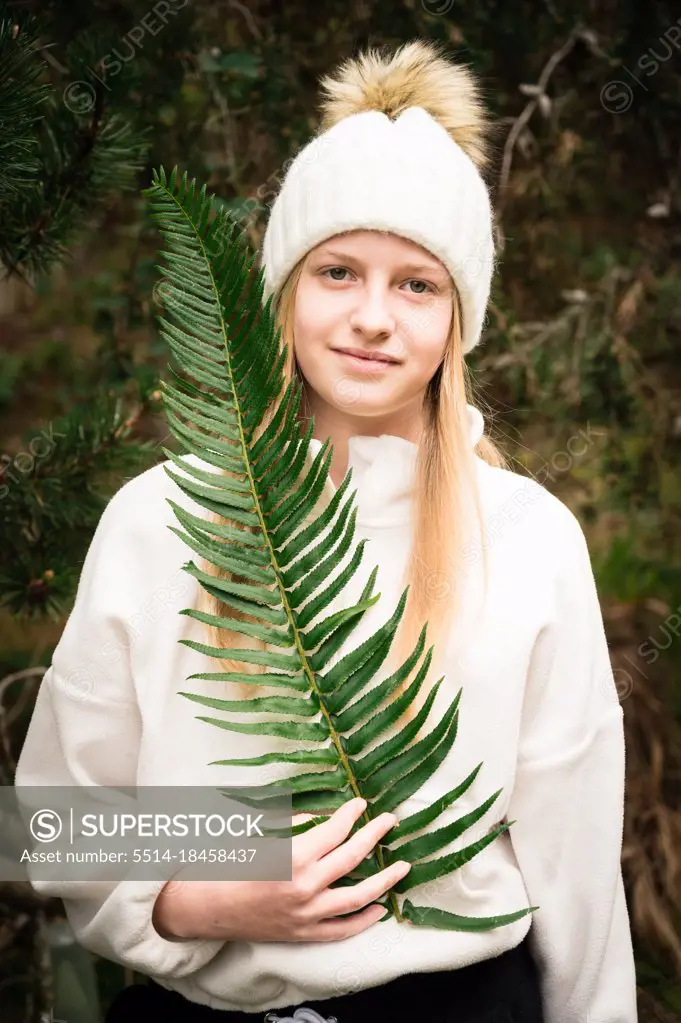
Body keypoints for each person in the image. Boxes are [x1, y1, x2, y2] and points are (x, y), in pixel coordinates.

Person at [14, 38, 638, 1023]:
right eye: (339, 271)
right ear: (284, 293)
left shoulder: (527, 537)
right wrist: (219, 894)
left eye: (417, 284)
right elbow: (59, 817)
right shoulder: (159, 521)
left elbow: (576, 864)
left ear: (458, 320)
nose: (374, 319)